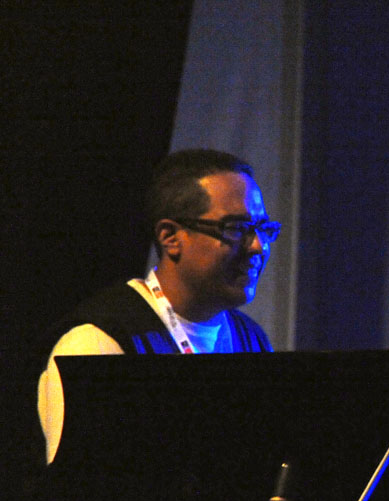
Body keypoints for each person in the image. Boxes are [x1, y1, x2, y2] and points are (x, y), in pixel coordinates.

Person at [36, 149, 275, 465]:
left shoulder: (252, 340)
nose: (258, 245)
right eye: (235, 228)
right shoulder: (97, 344)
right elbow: (83, 487)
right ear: (170, 237)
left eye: (263, 228)